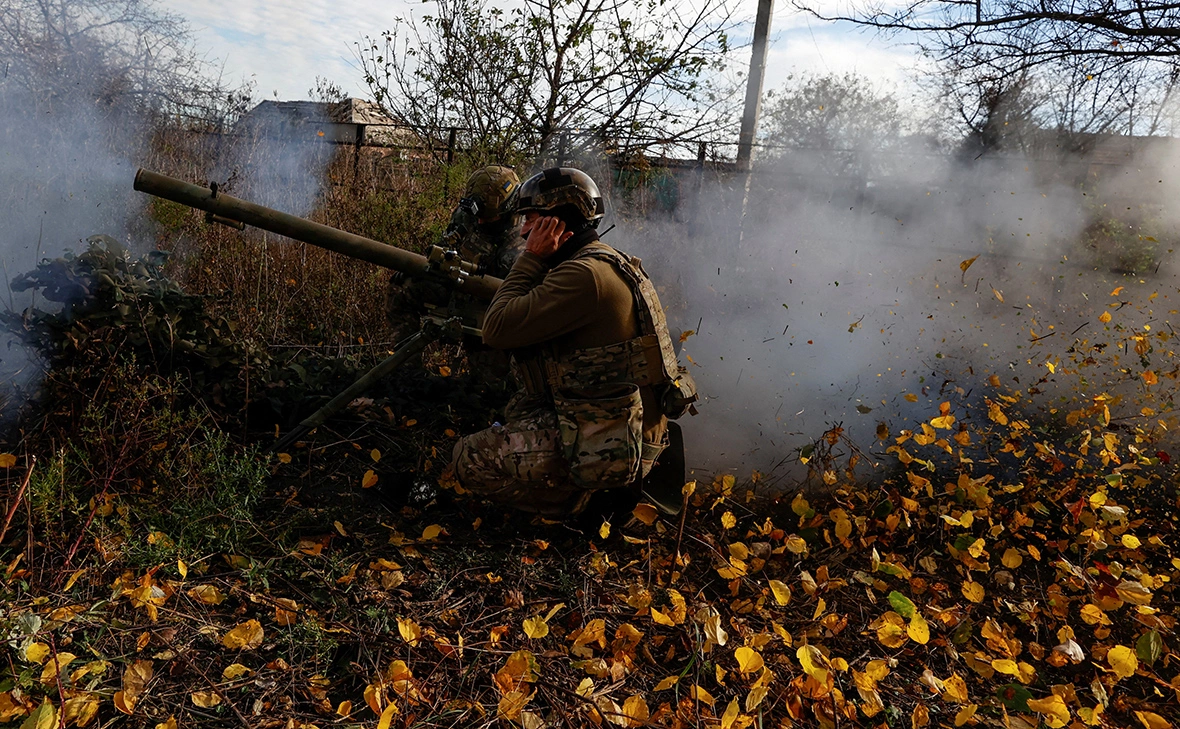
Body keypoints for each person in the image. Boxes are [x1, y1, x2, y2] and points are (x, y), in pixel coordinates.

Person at [449, 167, 696, 516]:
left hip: (616, 447)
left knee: (469, 457)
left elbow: (497, 329)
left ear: (556, 223)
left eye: (531, 220)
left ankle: (589, 504)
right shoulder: (605, 260)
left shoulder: (583, 276)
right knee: (515, 407)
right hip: (626, 431)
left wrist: (531, 258)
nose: (523, 231)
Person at [385, 165, 525, 337]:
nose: (480, 222)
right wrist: (417, 267)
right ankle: (404, 355)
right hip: (456, 283)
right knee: (401, 289)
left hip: (494, 301)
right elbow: (446, 246)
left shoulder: (524, 235)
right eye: (478, 216)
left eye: (487, 218)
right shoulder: (467, 214)